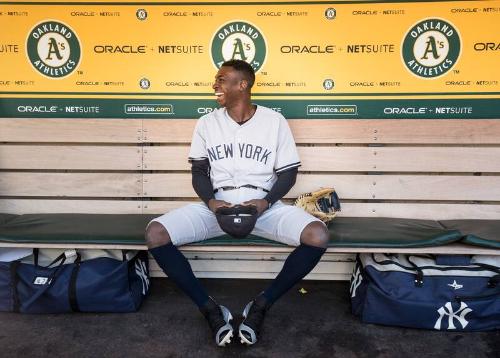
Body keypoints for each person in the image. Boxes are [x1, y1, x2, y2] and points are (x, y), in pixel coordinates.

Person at [145, 59, 329, 347]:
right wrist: (211, 202)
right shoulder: (207, 122)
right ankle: (209, 309)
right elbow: (198, 171)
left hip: (263, 206)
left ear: (242, 85)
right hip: (218, 205)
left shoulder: (274, 121)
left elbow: (288, 173)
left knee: (317, 235)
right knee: (156, 233)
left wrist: (266, 202)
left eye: (222, 79)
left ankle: (261, 306)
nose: (215, 85)